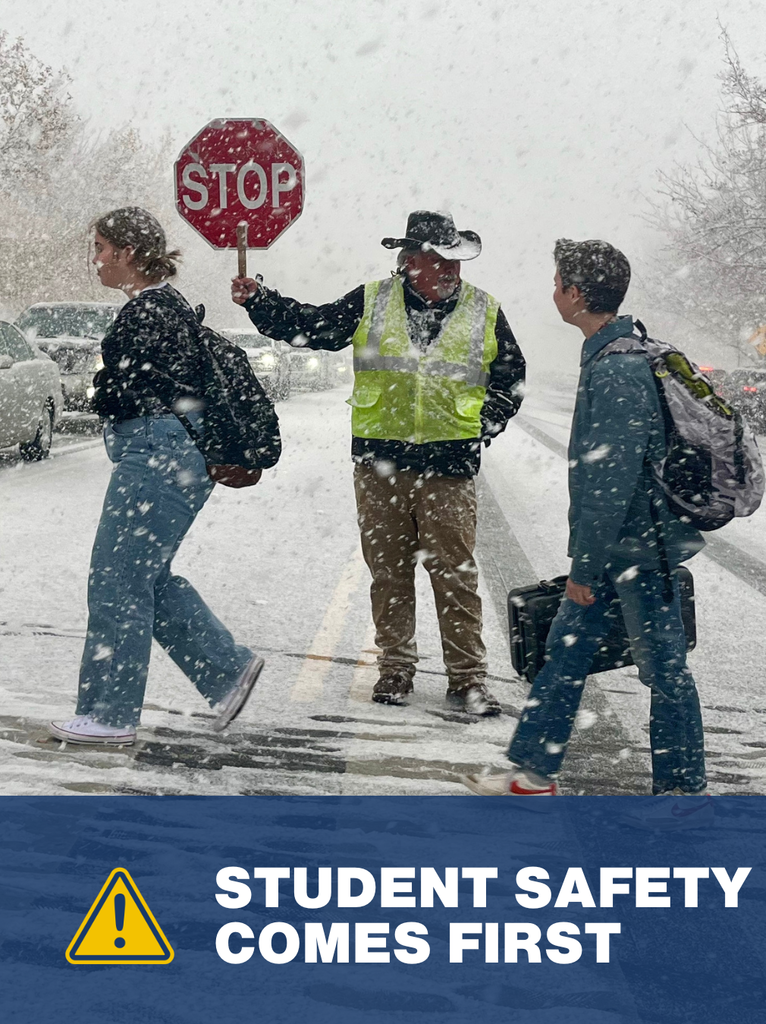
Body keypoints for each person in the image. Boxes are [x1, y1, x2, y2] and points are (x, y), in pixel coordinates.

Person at [232, 210, 525, 715]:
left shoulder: (484, 309)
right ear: (410, 262)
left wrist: (482, 428)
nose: (452, 270)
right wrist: (261, 301)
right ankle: (395, 670)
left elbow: (512, 380)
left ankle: (467, 678)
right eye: (439, 260)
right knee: (388, 574)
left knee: (455, 576)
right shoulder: (372, 300)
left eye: (455, 260)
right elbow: (313, 327)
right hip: (379, 464)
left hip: (450, 468)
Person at [464, 238, 706, 793]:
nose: (553, 293)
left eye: (557, 284)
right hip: (631, 547)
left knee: (664, 671)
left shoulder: (617, 369)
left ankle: (684, 791)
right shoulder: (616, 353)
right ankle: (532, 773)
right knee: (564, 655)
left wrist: (585, 569)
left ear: (575, 294)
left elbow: (609, 481)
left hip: (638, 553)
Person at [49, 207, 264, 746]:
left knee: (117, 580)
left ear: (126, 253)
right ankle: (227, 671)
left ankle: (109, 714)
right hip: (172, 454)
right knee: (146, 578)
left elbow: (131, 395)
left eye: (100, 248)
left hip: (159, 453)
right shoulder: (163, 307)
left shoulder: (151, 313)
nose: (94, 260)